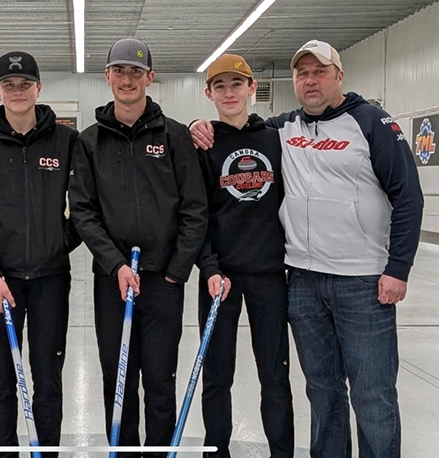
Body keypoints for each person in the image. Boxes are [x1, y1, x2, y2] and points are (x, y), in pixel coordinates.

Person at [190, 40, 424, 458]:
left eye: (320, 72)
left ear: (339, 74)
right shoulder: (286, 127)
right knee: (322, 389)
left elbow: (408, 196)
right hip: (302, 279)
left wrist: (399, 266)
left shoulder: (370, 121)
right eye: (302, 73)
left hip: (362, 281)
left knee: (372, 395)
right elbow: (235, 136)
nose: (310, 80)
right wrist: (197, 126)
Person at [68, 38, 208, 457]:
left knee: (160, 381)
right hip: (113, 282)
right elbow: (83, 212)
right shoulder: (89, 141)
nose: (127, 79)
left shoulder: (176, 136)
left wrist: (174, 271)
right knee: (119, 379)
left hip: (163, 281)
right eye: (119, 71)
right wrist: (113, 264)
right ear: (107, 77)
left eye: (135, 72)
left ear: (149, 78)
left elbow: (194, 209)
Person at [0, 51, 80, 458]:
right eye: (9, 85)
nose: (17, 91)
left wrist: (54, 244)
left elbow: (83, 208)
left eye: (25, 84)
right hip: (0, 283)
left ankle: (47, 453)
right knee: (2, 378)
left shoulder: (66, 141)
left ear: (39, 88)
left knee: (47, 378)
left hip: (50, 280)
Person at [194, 53, 294, 458]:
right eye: (220, 86)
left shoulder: (275, 138)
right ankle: (217, 450)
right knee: (217, 375)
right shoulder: (202, 144)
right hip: (221, 277)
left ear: (253, 88)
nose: (229, 92)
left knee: (275, 375)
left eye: (237, 84)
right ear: (209, 93)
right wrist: (209, 267)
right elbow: (195, 213)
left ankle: (282, 452)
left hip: (269, 275)